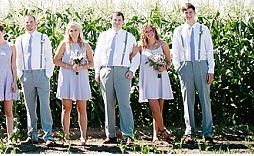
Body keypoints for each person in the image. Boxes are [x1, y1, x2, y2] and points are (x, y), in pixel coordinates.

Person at [94, 11, 140, 145]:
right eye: (115, 19)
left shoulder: (129, 36)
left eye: (119, 20)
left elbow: (136, 55)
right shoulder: (103, 36)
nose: (117, 22)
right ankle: (111, 135)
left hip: (123, 71)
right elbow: (98, 54)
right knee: (108, 104)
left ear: (123, 22)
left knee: (124, 104)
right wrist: (97, 72)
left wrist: (132, 70)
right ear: (111, 21)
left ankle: (128, 135)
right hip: (106, 70)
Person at [172, 2, 214, 144]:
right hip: (185, 66)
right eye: (186, 12)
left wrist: (210, 70)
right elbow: (176, 51)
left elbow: (209, 50)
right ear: (183, 14)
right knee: (187, 100)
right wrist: (179, 68)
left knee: (205, 100)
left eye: (190, 12)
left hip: (201, 65)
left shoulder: (203, 29)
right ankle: (190, 133)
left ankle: (208, 133)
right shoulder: (179, 31)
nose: (188, 15)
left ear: (194, 13)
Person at [15, 14, 55, 144]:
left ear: (35, 23)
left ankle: (48, 136)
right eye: (27, 22)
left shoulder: (43, 37)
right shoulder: (20, 39)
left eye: (31, 22)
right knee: (30, 107)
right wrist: (20, 75)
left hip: (41, 74)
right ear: (24, 24)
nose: (29, 25)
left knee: (45, 106)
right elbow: (18, 58)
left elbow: (49, 57)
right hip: (26, 75)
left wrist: (47, 74)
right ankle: (32, 136)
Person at [131, 23, 174, 142]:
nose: (149, 33)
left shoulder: (162, 44)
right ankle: (164, 132)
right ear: (143, 34)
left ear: (154, 31)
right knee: (154, 109)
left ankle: (155, 136)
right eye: (147, 31)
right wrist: (133, 52)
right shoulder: (141, 46)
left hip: (160, 78)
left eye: (151, 30)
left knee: (159, 110)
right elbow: (131, 57)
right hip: (148, 80)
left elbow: (169, 62)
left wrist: (164, 67)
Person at [53, 21, 94, 145]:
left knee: (82, 108)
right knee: (66, 108)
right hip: (67, 77)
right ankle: (66, 137)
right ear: (68, 32)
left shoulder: (85, 45)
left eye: (75, 30)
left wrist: (82, 67)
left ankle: (83, 136)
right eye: (71, 30)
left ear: (79, 31)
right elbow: (55, 60)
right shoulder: (64, 44)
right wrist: (69, 66)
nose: (73, 33)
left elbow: (92, 62)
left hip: (81, 77)